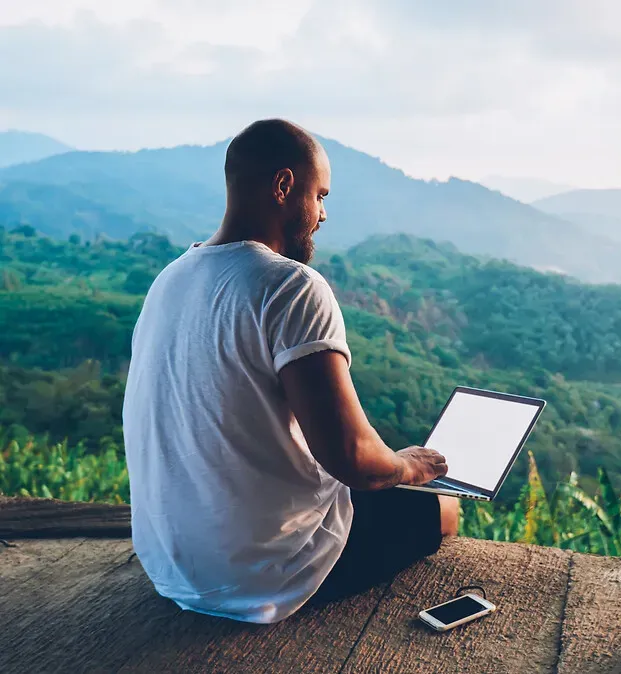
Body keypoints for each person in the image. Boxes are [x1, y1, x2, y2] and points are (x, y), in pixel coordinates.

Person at [122, 119, 458, 624]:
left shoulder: (170, 278)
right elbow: (351, 458)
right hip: (259, 575)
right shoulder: (291, 286)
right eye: (320, 195)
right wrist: (410, 466)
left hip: (170, 566)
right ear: (284, 186)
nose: (323, 214)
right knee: (445, 510)